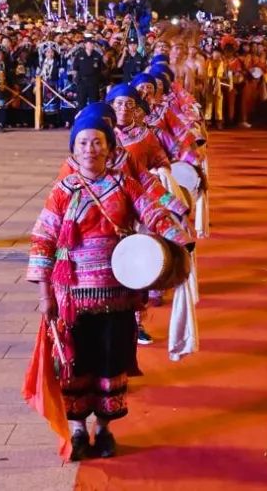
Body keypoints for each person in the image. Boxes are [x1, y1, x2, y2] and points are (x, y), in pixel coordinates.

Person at [27, 110, 193, 460]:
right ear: (73, 149)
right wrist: (45, 293)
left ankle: (103, 430)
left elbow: (154, 213)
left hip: (117, 292)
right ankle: (76, 431)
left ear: (109, 147)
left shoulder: (124, 184)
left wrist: (181, 240)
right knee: (74, 364)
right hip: (71, 294)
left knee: (110, 360)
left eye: (97, 142)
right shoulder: (62, 190)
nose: (90, 149)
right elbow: (43, 238)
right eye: (83, 142)